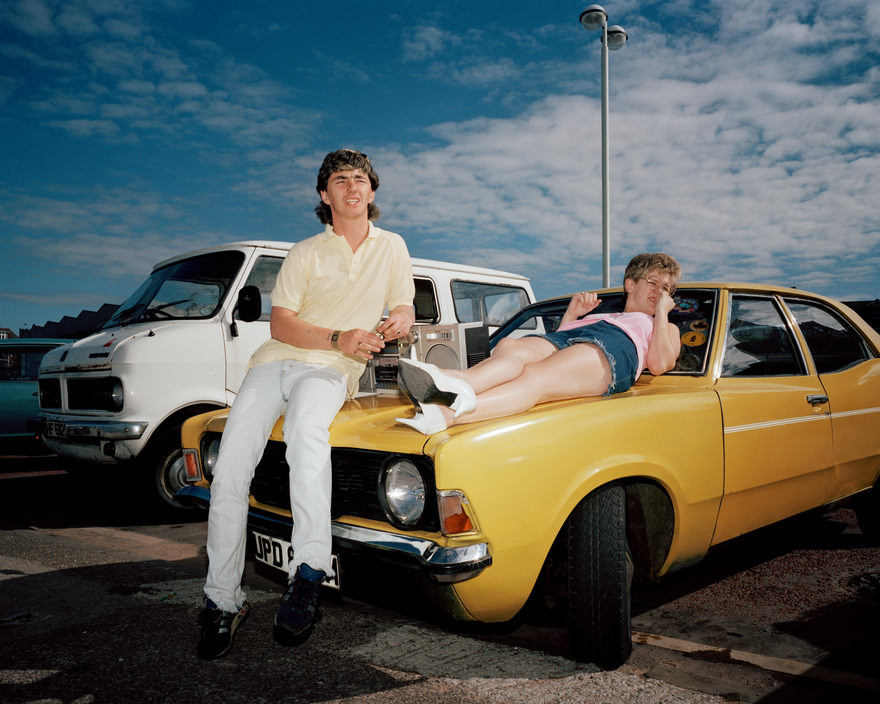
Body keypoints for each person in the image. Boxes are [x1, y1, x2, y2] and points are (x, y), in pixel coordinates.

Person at [198, 149, 415, 659]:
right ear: (325, 195)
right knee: (229, 470)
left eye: (361, 179)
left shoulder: (393, 247)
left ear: (373, 192)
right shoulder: (305, 251)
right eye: (341, 180)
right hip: (274, 363)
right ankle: (222, 599)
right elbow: (281, 325)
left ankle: (309, 570)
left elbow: (403, 302)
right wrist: (340, 335)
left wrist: (400, 318)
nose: (353, 187)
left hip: (329, 370)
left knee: (304, 436)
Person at [396, 252, 681, 434]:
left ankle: (448, 415)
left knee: (536, 376)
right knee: (510, 346)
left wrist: (660, 314)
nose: (659, 292)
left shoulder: (665, 326)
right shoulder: (605, 314)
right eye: (653, 283)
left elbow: (658, 364)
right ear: (631, 284)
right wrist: (572, 314)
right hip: (579, 337)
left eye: (666, 288)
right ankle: (455, 381)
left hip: (616, 347)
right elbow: (558, 344)